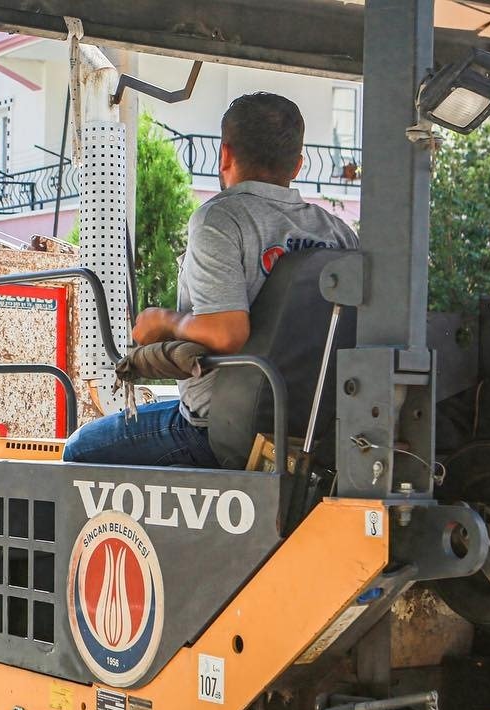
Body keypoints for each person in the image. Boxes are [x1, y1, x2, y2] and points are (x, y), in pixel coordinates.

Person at [63, 92, 359, 467]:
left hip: (217, 427)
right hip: (311, 425)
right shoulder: (337, 233)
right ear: (298, 165)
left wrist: (163, 321)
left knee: (80, 449)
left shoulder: (221, 219)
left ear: (225, 155)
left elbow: (226, 332)